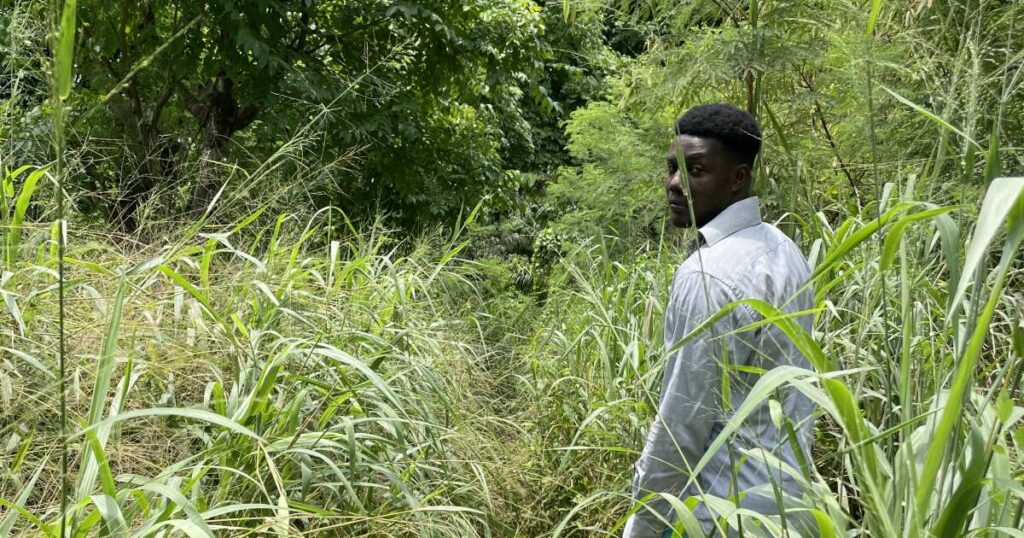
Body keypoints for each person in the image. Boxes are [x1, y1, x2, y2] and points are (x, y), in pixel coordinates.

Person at [624, 104, 816, 537]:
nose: (675, 184)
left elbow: (680, 427)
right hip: (793, 508)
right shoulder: (786, 251)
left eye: (696, 171)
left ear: (737, 179)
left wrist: (643, 527)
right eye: (672, 168)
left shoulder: (707, 275)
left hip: (724, 515)